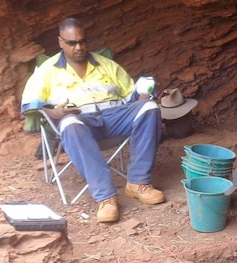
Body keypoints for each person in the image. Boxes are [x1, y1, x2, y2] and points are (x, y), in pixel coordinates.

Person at [21, 17, 164, 223]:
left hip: (115, 118)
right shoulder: (47, 71)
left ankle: (138, 183)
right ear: (60, 41)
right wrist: (55, 113)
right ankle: (105, 197)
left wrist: (143, 94)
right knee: (69, 124)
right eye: (71, 43)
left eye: (83, 41)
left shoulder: (107, 65)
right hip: (80, 123)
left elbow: (131, 95)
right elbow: (31, 106)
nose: (78, 47)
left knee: (149, 107)